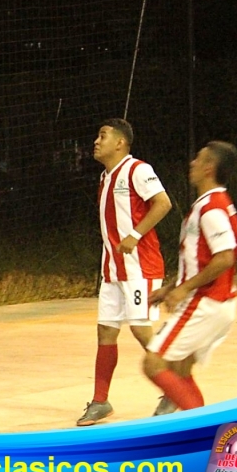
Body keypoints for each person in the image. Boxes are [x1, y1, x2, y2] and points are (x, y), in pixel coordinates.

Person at [76, 118, 172, 427]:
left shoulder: (137, 170)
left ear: (120, 142)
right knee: (106, 330)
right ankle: (101, 401)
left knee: (141, 329)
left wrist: (135, 234)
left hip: (139, 268)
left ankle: (173, 388)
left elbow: (163, 203)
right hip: (112, 270)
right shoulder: (105, 177)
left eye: (102, 135)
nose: (96, 141)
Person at [143, 141, 237, 413]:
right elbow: (205, 261)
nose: (192, 163)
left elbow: (224, 258)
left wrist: (183, 289)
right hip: (216, 301)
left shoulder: (212, 208)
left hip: (207, 301)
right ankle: (198, 428)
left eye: (198, 159)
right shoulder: (213, 204)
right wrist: (171, 288)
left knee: (153, 363)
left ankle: (202, 433)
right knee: (180, 369)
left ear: (209, 168)